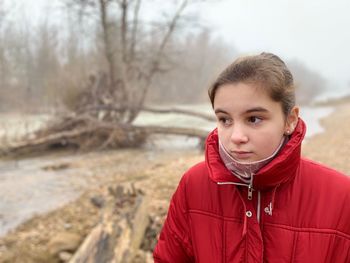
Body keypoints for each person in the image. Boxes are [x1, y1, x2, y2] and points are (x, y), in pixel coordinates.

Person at [153, 52, 350, 262]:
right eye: (225, 120)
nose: (236, 137)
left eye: (254, 119)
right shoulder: (194, 185)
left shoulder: (341, 197)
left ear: (290, 120)